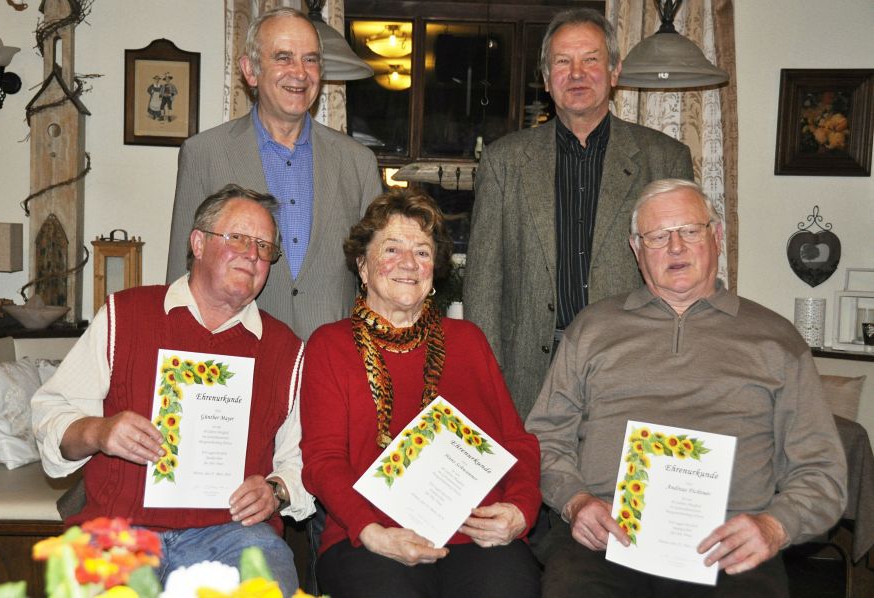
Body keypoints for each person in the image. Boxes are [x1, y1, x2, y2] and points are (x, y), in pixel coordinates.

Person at [525, 179, 848, 597]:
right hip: (607, 539)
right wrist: (576, 501)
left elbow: (822, 472)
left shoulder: (776, 339)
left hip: (730, 547)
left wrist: (774, 526)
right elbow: (544, 439)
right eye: (658, 236)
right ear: (636, 249)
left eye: (690, 231)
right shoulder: (591, 329)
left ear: (717, 237)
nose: (675, 247)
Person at [33, 185, 316, 593]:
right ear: (198, 243)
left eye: (264, 246)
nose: (252, 254)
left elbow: (302, 459)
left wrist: (276, 490)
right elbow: (50, 414)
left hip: (234, 536)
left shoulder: (286, 349)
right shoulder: (124, 315)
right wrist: (99, 431)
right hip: (119, 532)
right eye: (238, 238)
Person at [300, 189, 543, 598]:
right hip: (370, 537)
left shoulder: (468, 340)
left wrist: (520, 509)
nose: (409, 263)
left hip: (476, 534)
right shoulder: (330, 345)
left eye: (423, 252)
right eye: (392, 248)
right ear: (362, 265)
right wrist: (370, 531)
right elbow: (323, 462)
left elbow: (517, 443)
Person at [464, 8, 695, 418]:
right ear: (545, 77)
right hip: (528, 375)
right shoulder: (504, 161)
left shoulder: (664, 158)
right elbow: (484, 280)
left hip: (632, 368)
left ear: (614, 71)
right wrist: (486, 377)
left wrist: (673, 369)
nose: (576, 74)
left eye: (590, 59)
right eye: (562, 62)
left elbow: (684, 277)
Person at [166, 7, 382, 341]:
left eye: (310, 60)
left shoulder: (358, 162)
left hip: (332, 358)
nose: (300, 72)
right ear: (250, 70)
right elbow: (181, 276)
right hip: (236, 354)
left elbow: (379, 277)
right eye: (283, 57)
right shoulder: (204, 153)